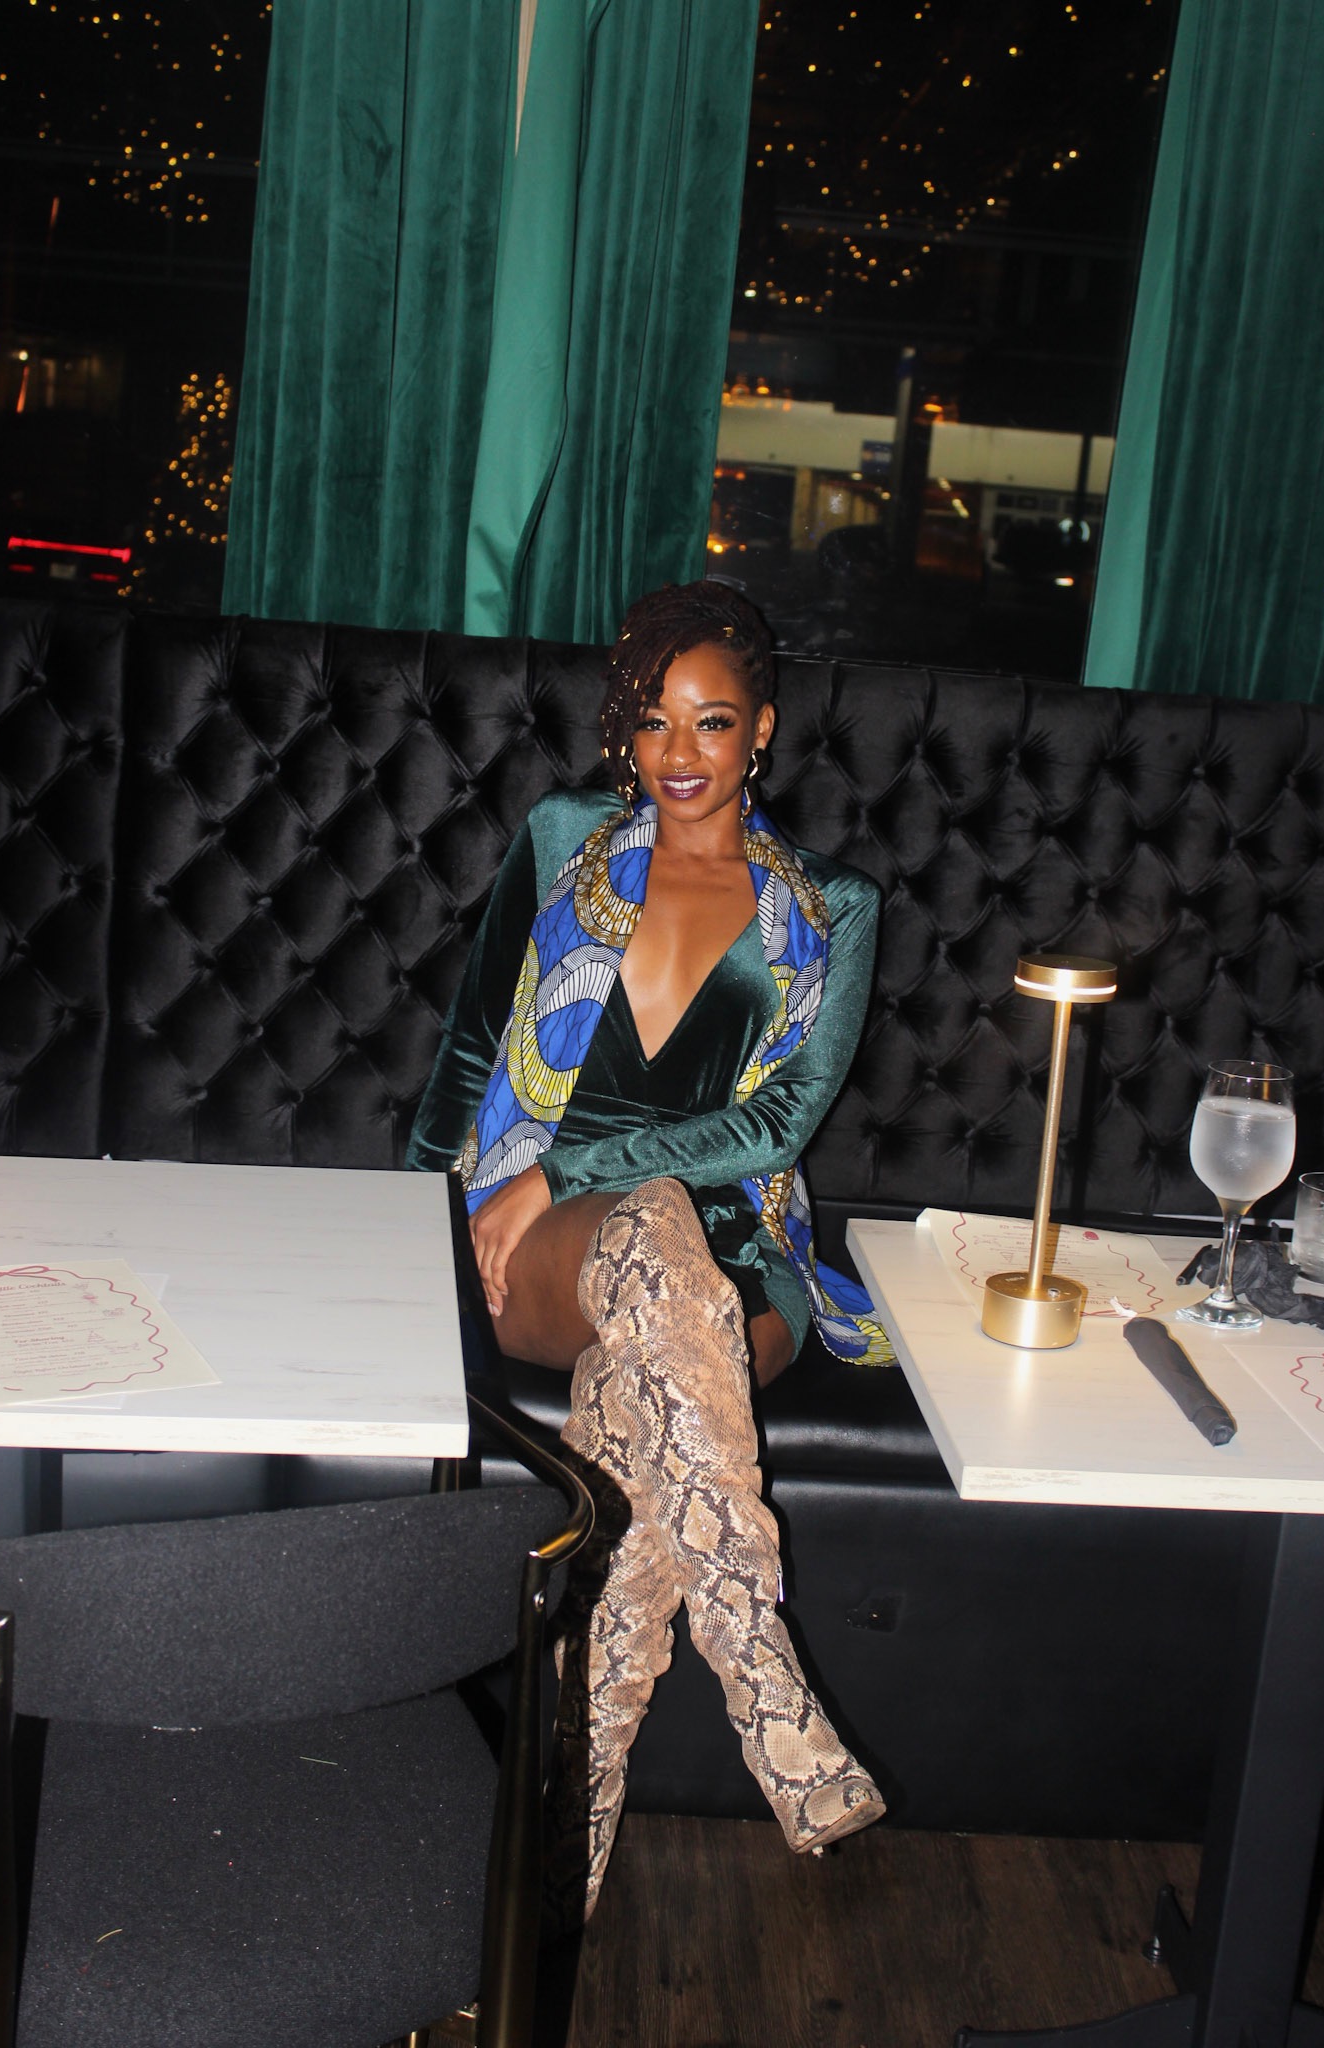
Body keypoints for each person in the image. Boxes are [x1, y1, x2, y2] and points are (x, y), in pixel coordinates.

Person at [408, 580, 893, 1924]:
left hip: (740, 1248)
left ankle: (561, 1839)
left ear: (762, 730)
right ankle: (762, 1674)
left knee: (647, 1391)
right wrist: (430, 1223)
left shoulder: (831, 906)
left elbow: (779, 1124)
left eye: (712, 722)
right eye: (651, 721)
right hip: (545, 1235)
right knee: (641, 1237)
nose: (678, 753)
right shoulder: (566, 840)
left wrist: (572, 1171)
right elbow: (471, 1045)